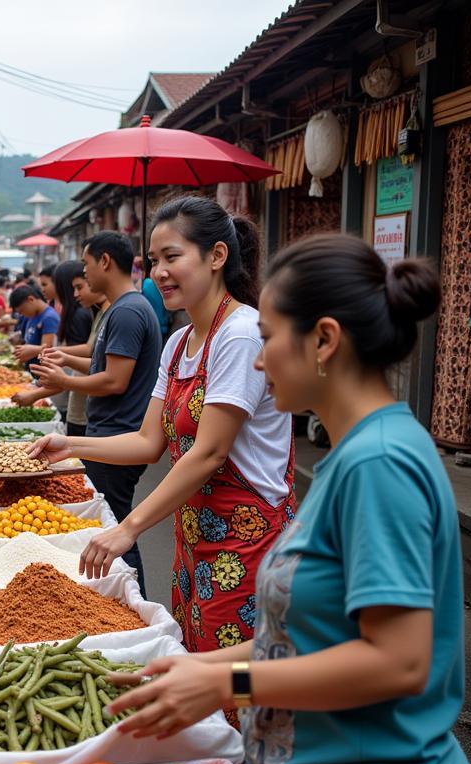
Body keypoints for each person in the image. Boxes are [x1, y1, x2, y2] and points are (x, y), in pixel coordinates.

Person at [107, 234, 471, 764]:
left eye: (270, 335)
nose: (261, 357)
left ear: (325, 341)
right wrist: (196, 672)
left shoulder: (378, 465)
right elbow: (313, 635)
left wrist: (227, 679)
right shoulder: (350, 456)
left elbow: (399, 661)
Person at [33, 203, 292, 640]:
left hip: (247, 540)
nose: (159, 272)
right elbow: (149, 441)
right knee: (197, 661)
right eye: (153, 261)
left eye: (173, 257)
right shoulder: (178, 343)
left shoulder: (241, 334)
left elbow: (209, 452)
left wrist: (127, 528)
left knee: (236, 681)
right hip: (193, 533)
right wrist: (71, 447)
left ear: (216, 256)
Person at [29, 231, 162, 592]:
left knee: (116, 531)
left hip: (119, 435)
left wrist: (63, 380)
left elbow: (115, 381)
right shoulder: (117, 310)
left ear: (105, 261)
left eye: (86, 264)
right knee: (111, 526)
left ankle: (133, 601)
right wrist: (67, 361)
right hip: (110, 432)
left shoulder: (129, 311)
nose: (83, 274)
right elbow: (103, 365)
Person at [13, 260, 99, 424]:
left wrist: (41, 351)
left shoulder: (78, 314)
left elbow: (88, 355)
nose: (42, 289)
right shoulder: (71, 312)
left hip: (78, 399)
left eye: (46, 284)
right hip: (70, 394)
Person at [9, 283, 59, 364]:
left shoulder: (49, 317)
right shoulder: (32, 315)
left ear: (31, 300)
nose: (22, 314)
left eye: (22, 311)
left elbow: (48, 349)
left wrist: (31, 351)